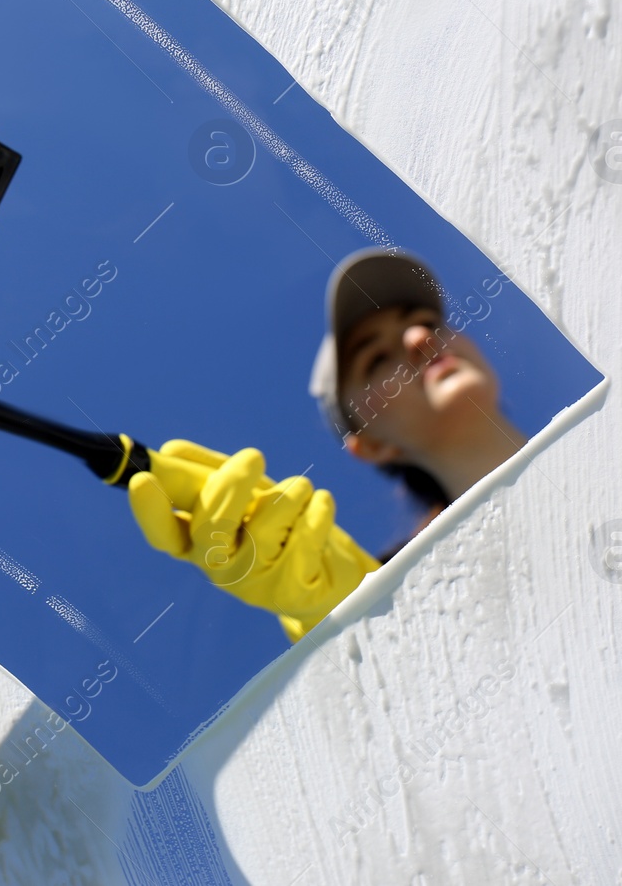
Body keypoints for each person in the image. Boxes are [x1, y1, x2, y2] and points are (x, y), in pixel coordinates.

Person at [126, 249, 526, 640]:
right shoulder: (416, 586)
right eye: (376, 358)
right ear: (370, 445)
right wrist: (334, 616)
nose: (421, 338)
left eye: (427, 321)